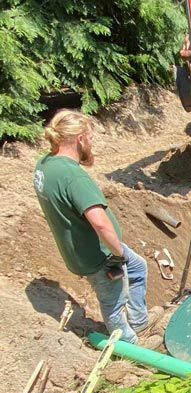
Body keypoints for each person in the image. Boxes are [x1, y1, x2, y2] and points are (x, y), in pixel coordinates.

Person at [33, 110, 162, 347]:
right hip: (98, 255)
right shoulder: (73, 177)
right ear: (80, 139)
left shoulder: (44, 165)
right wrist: (117, 255)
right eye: (90, 137)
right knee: (112, 302)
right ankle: (131, 345)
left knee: (138, 267)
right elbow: (100, 223)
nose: (92, 142)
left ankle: (140, 322)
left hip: (82, 248)